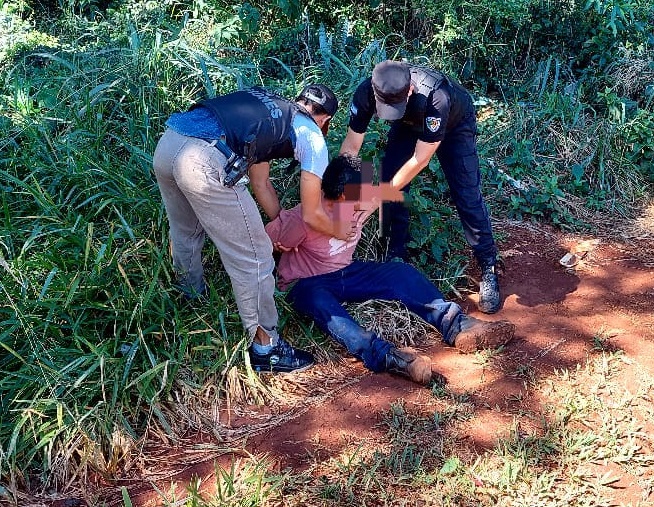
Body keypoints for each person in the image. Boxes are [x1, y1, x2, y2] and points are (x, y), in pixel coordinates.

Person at [264, 154, 516, 384]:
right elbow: (262, 244)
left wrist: (424, 151)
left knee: (400, 274)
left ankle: (457, 325)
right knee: (318, 299)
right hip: (307, 283)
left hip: (347, 273)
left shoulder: (361, 202)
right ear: (343, 195)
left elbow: (395, 183)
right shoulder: (303, 218)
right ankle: (388, 357)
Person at [153, 84, 346, 374]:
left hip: (169, 146)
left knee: (186, 232)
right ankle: (266, 350)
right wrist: (340, 231)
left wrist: (282, 225)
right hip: (202, 160)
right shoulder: (313, 136)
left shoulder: (271, 109)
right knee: (255, 257)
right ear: (325, 119)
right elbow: (311, 211)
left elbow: (260, 183)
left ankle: (189, 301)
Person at [339, 60, 502, 314]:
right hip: (409, 125)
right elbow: (350, 149)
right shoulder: (367, 92)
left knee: (466, 194)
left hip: (454, 124)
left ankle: (488, 263)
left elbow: (420, 159)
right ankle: (396, 253)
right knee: (390, 180)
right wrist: (345, 201)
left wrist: (375, 200)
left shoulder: (437, 97)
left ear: (410, 91)